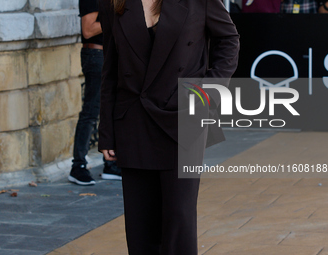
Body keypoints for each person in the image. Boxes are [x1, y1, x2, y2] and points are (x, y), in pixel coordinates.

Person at [98, 0, 239, 254]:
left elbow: (229, 40)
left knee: (179, 218)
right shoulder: (113, 3)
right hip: (134, 122)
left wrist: (207, 95)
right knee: (141, 225)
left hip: (184, 116)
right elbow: (110, 68)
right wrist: (107, 132)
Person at [68, 0, 121, 186]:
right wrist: (120, 15)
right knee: (91, 111)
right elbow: (88, 30)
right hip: (96, 56)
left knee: (113, 109)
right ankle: (78, 166)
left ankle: (111, 164)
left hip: (111, 54)